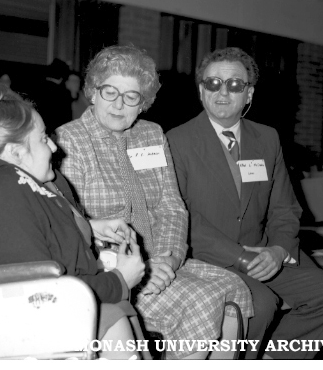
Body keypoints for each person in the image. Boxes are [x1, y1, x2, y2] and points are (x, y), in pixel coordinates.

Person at [56, 45, 253, 360]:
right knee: (203, 298)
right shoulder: (70, 141)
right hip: (113, 271)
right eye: (110, 92)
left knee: (234, 287)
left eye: (131, 96)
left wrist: (167, 260)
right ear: (93, 93)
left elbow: (172, 207)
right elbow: (76, 231)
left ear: (143, 103)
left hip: (162, 257)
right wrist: (142, 271)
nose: (120, 104)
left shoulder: (151, 134)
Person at [166, 47, 323, 359]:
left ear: (248, 94)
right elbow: (182, 217)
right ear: (200, 91)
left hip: (265, 249)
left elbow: (285, 207)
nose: (223, 92)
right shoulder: (176, 141)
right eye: (213, 83)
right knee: (260, 305)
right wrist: (240, 258)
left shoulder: (267, 138)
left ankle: (271, 358)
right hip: (212, 256)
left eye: (235, 85)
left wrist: (279, 250)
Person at [0, 81, 147, 360]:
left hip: (11, 306)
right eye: (43, 138)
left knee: (115, 316)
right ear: (15, 152)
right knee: (113, 315)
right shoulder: (2, 191)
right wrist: (119, 280)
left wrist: (91, 231)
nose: (53, 146)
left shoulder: (14, 182)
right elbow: (42, 291)